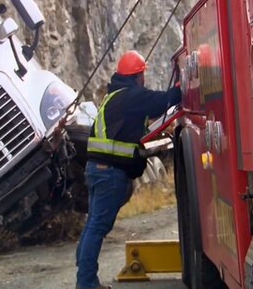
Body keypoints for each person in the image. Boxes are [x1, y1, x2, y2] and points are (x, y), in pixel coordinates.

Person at [75, 50, 181, 289]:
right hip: (109, 172)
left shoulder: (114, 98)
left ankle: (85, 276)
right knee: (98, 227)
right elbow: (163, 100)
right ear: (139, 75)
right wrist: (182, 87)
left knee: (94, 224)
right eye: (143, 74)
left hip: (96, 169)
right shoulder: (132, 96)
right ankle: (86, 283)